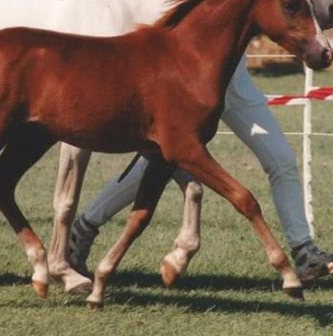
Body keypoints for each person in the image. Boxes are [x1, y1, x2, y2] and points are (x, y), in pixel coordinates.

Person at [69, 57, 333, 281]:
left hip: (236, 83)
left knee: (282, 159)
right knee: (156, 164)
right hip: (192, 76)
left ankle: (303, 250)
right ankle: (85, 227)